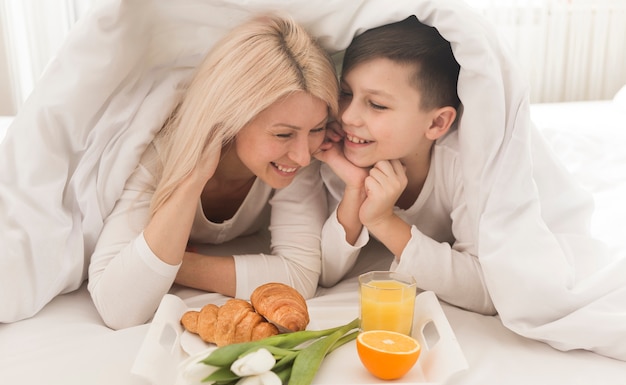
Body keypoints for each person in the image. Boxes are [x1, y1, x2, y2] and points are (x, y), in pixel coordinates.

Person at [88, 13, 339, 329]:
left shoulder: (299, 158)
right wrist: (192, 180)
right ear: (231, 117)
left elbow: (299, 277)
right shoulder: (157, 153)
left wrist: (175, 265)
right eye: (283, 134)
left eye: (317, 128)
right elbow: (118, 308)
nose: (304, 156)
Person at [315, 16, 495, 314]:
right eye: (346, 93)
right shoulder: (341, 154)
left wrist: (383, 222)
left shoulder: (463, 166)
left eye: (377, 104)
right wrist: (355, 188)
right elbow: (325, 273)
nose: (347, 116)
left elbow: (486, 290)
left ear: (437, 122)